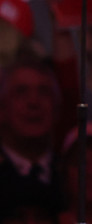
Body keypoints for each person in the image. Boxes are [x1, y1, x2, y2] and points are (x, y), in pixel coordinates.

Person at [0, 57, 62, 201]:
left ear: (57, 109)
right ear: (1, 108)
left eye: (44, 92)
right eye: (21, 92)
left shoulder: (74, 177)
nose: (34, 102)